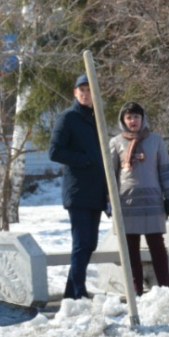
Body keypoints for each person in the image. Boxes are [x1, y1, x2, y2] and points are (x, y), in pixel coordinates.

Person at [48, 74, 108, 300]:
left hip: (96, 191)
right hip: (78, 191)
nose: (85, 93)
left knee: (90, 244)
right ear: (75, 93)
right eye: (81, 90)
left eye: (89, 89)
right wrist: (85, 159)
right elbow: (54, 152)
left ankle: (70, 294)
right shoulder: (68, 118)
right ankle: (79, 291)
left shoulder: (96, 118)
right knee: (81, 243)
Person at [108, 102, 169, 295]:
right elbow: (111, 174)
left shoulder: (156, 140)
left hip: (153, 201)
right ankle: (135, 290)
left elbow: (165, 169)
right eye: (129, 117)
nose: (133, 121)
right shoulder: (116, 142)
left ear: (143, 118)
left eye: (136, 117)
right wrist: (108, 201)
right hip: (127, 203)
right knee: (130, 249)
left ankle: (165, 288)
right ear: (123, 121)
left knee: (157, 245)